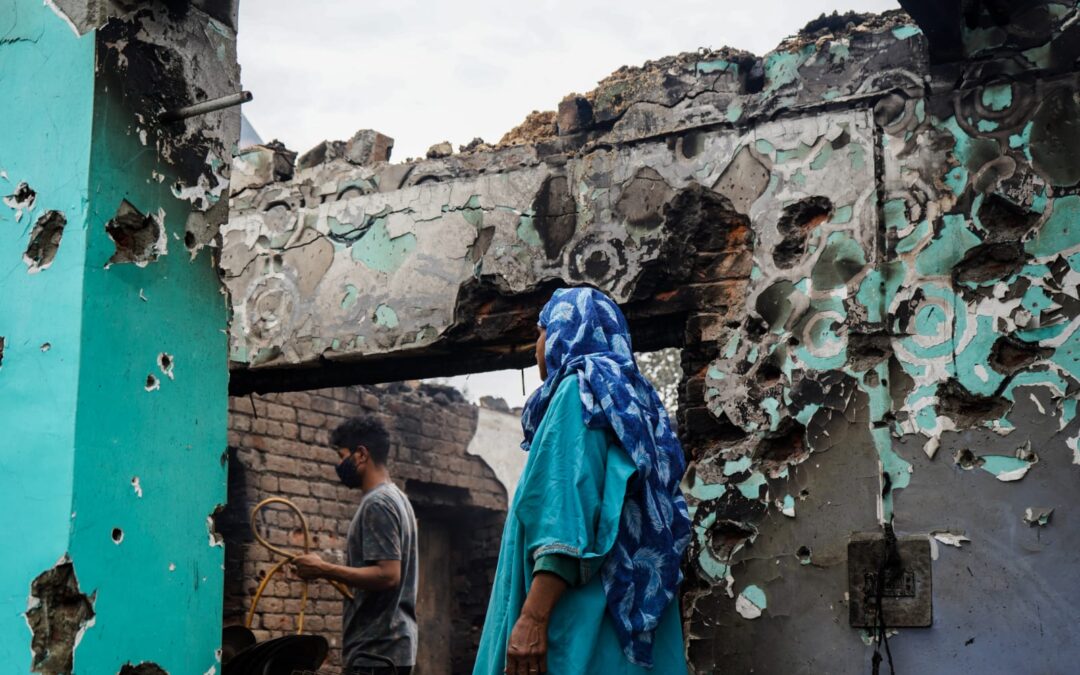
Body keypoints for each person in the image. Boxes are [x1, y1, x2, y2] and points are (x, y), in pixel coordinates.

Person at [473, 287, 692, 675]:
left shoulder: (578, 392)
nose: (535, 347)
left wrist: (533, 619)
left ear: (566, 330)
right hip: (625, 617)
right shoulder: (632, 401)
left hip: (575, 620)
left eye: (540, 333)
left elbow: (565, 515)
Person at [291, 416, 418, 675]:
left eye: (342, 455)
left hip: (375, 654)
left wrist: (323, 569)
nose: (339, 464)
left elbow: (388, 575)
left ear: (361, 454)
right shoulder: (398, 499)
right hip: (388, 651)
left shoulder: (378, 504)